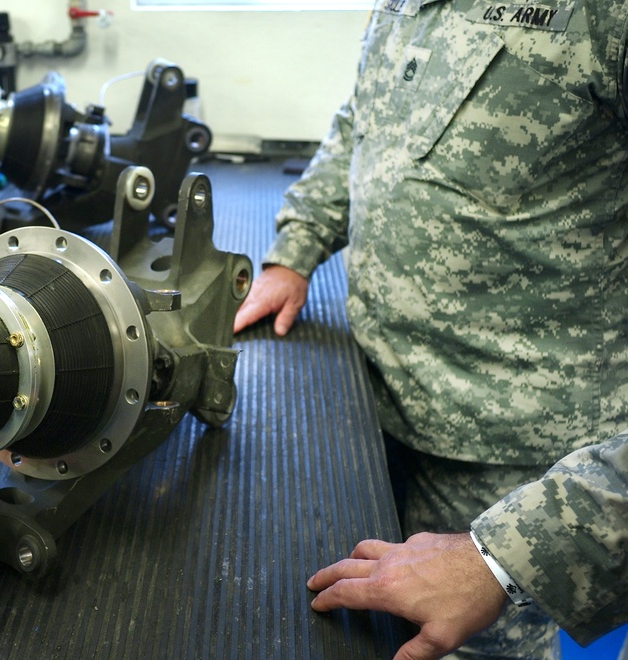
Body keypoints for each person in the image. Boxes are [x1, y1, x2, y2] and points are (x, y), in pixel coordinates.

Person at [234, 1, 628, 658]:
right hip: (377, 402)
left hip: (514, 450)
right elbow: (367, 118)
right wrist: (296, 249)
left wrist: (501, 558)